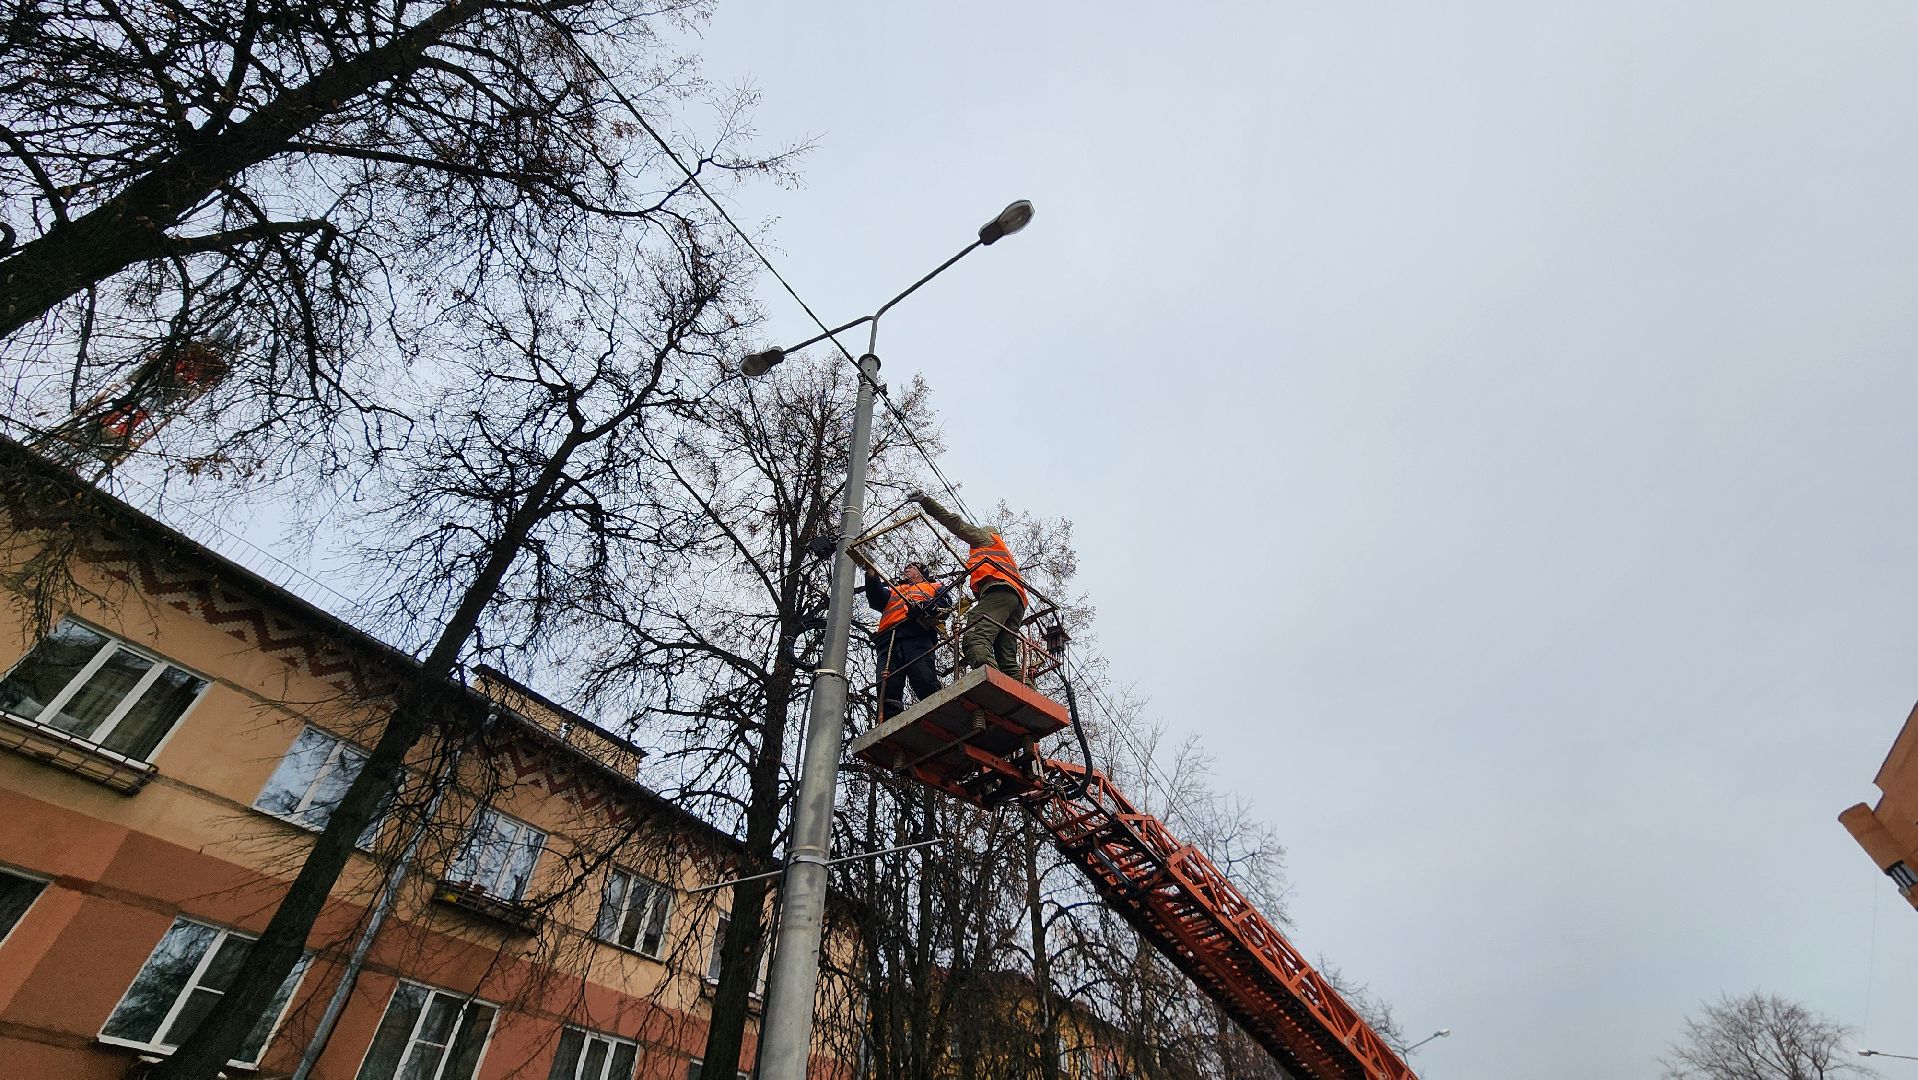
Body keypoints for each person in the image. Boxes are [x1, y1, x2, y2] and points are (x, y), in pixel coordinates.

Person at [908, 492, 1027, 679]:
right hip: (1017, 602)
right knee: (1007, 658)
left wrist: (926, 502)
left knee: (975, 636)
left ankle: (991, 682)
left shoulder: (986, 538)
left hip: (999, 592)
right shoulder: (1003, 552)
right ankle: (1026, 690)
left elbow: (955, 523)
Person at [863, 560, 953, 720]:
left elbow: (944, 605)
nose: (906, 570)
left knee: (923, 676)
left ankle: (940, 715)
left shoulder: (933, 586)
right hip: (889, 637)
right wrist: (871, 575)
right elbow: (876, 597)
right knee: (886, 684)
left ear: (921, 572)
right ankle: (890, 720)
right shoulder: (894, 590)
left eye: (911, 567)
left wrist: (923, 607)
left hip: (916, 633)